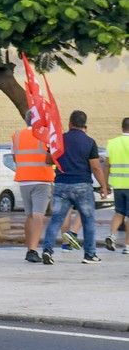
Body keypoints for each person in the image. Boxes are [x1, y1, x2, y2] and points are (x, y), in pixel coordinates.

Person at [40, 110, 111, 264]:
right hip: (82, 186)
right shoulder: (90, 142)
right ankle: (90, 254)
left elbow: (48, 160)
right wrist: (104, 186)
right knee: (88, 220)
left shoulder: (58, 140)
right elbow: (96, 167)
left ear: (70, 123)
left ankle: (47, 250)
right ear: (84, 125)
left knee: (56, 220)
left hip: (61, 184)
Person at [12, 120, 56, 263]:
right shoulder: (46, 135)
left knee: (30, 215)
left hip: (24, 179)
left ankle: (29, 249)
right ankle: (33, 250)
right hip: (41, 179)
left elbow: (14, 157)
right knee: (38, 215)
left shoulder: (17, 135)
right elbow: (51, 158)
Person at [104, 116, 129, 253]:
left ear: (122, 128)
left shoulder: (112, 143)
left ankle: (112, 235)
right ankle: (127, 246)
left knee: (119, 212)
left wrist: (105, 184)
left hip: (117, 185)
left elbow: (107, 165)